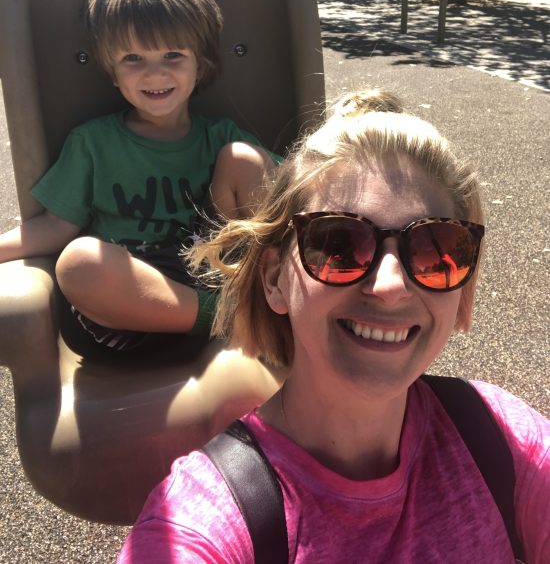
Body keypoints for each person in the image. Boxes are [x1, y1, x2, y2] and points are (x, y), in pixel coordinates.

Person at [117, 88, 549, 562]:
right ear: (275, 279)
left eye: (434, 251)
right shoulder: (208, 522)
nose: (390, 285)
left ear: (462, 298)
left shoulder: (502, 438)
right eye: (339, 245)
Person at [0, 0, 273, 352]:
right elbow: (56, 226)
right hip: (127, 308)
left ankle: (261, 305)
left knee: (245, 161)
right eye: (133, 59)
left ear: (200, 66)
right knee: (78, 261)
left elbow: (289, 192)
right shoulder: (93, 142)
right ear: (112, 71)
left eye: (172, 56)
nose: (154, 74)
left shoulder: (220, 137)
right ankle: (221, 319)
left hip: (209, 275)